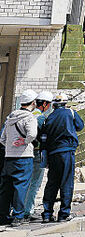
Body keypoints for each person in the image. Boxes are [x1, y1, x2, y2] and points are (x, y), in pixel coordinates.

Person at [41, 95, 83, 223]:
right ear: (65, 103)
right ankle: (64, 214)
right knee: (66, 182)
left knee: (52, 183)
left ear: (53, 105)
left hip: (53, 153)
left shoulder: (49, 118)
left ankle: (47, 214)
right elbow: (80, 126)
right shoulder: (70, 112)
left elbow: (44, 138)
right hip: (66, 152)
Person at [0, 90, 39, 227]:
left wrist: (11, 147)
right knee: (21, 187)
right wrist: (23, 142)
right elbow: (32, 134)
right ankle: (18, 216)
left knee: (6, 187)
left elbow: (2, 139)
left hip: (9, 157)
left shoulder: (10, 117)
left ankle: (3, 215)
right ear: (33, 103)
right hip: (24, 157)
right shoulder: (30, 117)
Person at [23, 91, 53, 221]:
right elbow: (43, 137)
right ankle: (28, 211)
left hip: (22, 152)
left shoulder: (27, 114)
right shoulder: (40, 118)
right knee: (34, 183)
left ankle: (18, 208)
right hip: (36, 152)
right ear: (45, 104)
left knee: (24, 182)